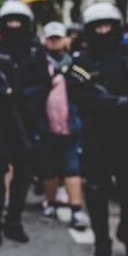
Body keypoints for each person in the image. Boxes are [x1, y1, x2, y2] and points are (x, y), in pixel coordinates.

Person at [66, 3, 128, 256]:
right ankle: (102, 242)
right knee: (96, 194)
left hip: (126, 135)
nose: (103, 31)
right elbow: (77, 93)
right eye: (98, 27)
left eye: (108, 26)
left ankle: (127, 232)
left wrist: (126, 102)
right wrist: (104, 104)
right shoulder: (81, 62)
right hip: (96, 136)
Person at [0, 0, 50, 251]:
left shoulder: (35, 51)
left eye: (19, 21)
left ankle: (14, 221)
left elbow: (44, 84)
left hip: (27, 122)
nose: (14, 25)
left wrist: (21, 94)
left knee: (23, 174)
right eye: (10, 21)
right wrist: (2, 92)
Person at [39, 22, 89, 231]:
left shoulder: (75, 62)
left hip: (71, 124)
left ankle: (76, 209)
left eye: (57, 38)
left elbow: (86, 83)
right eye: (51, 39)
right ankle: (50, 203)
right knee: (49, 169)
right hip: (46, 125)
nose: (54, 42)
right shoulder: (38, 63)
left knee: (72, 167)